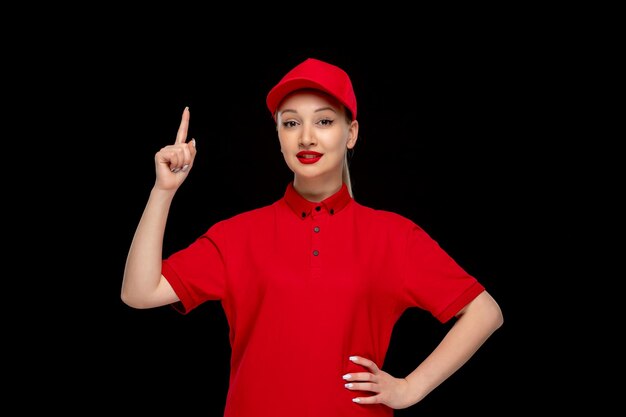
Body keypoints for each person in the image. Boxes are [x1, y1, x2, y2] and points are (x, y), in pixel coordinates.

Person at [121, 57, 504, 416]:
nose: (306, 137)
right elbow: (139, 293)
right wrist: (162, 191)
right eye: (291, 123)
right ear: (279, 136)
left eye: (323, 122)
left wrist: (411, 387)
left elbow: (484, 311)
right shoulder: (238, 235)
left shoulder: (393, 236)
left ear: (351, 133)